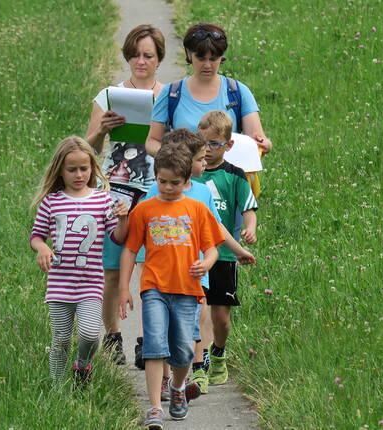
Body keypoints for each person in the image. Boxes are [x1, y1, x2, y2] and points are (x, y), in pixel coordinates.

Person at [135, 129, 255, 397]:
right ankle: (168, 378)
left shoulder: (201, 193)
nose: (205, 162)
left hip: (194, 271)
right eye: (200, 159)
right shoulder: (157, 188)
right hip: (162, 271)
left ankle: (194, 371)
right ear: (185, 162)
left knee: (192, 325)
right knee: (165, 328)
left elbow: (218, 229)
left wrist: (237, 251)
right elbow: (142, 225)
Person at [118, 144, 224, 429]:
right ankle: (154, 406)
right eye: (162, 181)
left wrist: (207, 264)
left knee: (183, 351)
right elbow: (130, 249)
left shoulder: (197, 209)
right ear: (155, 177)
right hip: (154, 287)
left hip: (188, 291)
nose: (167, 187)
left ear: (187, 180)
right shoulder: (145, 210)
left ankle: (177, 388)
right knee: (154, 345)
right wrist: (125, 288)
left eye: (174, 183)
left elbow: (212, 247)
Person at [85, 24, 167, 364]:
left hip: (155, 186)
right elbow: (86, 150)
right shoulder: (108, 95)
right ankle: (113, 335)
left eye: (148, 55)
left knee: (152, 267)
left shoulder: (167, 94)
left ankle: (145, 339)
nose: (140, 61)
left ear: (159, 58)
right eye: (135, 54)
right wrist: (102, 129)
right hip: (114, 187)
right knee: (112, 268)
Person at [29, 136, 129, 384]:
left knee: (90, 335)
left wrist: (124, 218)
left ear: (93, 169)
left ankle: (82, 366)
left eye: (84, 168)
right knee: (61, 339)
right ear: (60, 171)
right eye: (71, 169)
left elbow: (117, 237)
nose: (78, 174)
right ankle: (57, 388)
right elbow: (37, 236)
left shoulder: (102, 199)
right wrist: (42, 248)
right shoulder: (51, 202)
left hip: (90, 284)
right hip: (59, 284)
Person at [144, 22, 273, 196]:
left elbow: (255, 138)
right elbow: (152, 141)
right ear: (189, 55)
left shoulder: (238, 91)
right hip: (183, 185)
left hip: (228, 186)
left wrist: (263, 144)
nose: (207, 65)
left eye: (213, 59)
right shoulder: (171, 93)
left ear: (222, 57)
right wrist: (177, 159)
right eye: (201, 58)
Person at [195, 111, 258, 386]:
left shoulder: (235, 175)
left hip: (225, 254)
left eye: (215, 144)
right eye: (203, 142)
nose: (208, 150)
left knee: (221, 318)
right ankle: (200, 365)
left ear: (228, 145)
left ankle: (218, 353)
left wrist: (250, 228)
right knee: (200, 311)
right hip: (195, 254)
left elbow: (249, 207)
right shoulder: (190, 172)